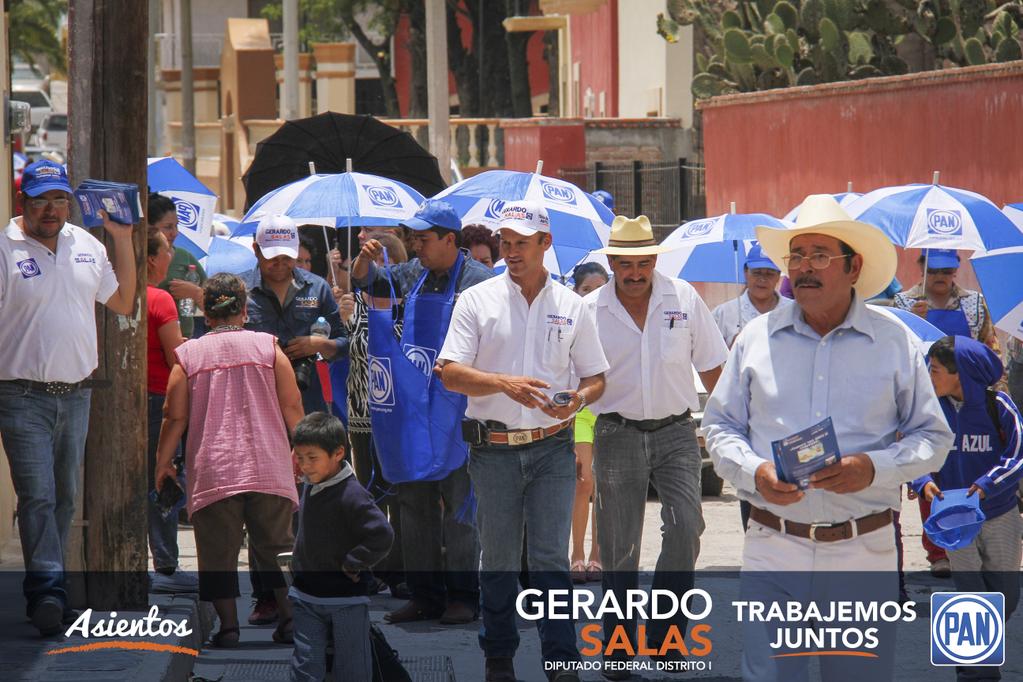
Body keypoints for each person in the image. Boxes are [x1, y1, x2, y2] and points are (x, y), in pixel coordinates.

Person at [702, 195, 953, 682]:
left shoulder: (894, 342)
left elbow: (933, 438)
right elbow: (719, 427)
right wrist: (755, 470)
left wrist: (873, 468)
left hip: (864, 548)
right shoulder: (755, 339)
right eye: (797, 256)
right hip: (774, 543)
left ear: (854, 266)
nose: (804, 268)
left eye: (820, 255)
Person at [439, 201, 609, 682]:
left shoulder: (572, 306)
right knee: (496, 558)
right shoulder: (477, 300)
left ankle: (561, 661)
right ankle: (499, 657)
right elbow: (449, 373)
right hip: (492, 450)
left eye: (521, 243)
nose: (511, 252)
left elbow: (596, 378)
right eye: (505, 243)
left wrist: (576, 399)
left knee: (551, 559)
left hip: (553, 447)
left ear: (545, 245)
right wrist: (502, 384)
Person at [585, 215, 728, 678]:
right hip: (615, 431)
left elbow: (712, 368)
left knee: (687, 527)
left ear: (654, 261)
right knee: (618, 545)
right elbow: (576, 380)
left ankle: (667, 637)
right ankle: (619, 645)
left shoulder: (684, 298)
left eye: (643, 263)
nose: (634, 273)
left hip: (676, 432)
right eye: (625, 264)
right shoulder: (588, 309)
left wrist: (731, 424)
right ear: (611, 262)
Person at [0, 160, 136, 635]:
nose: (52, 209)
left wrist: (121, 239)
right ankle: (49, 594)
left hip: (76, 394)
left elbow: (122, 303)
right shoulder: (4, 248)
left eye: (60, 200)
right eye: (41, 200)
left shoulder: (87, 245)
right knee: (37, 496)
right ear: (24, 204)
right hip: (20, 395)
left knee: (64, 498)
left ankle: (50, 590)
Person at [352, 199, 492, 627]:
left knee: (460, 508)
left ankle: (464, 596)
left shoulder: (481, 282)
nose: (416, 245)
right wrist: (363, 259)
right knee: (413, 506)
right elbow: (366, 286)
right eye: (412, 238)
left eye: (424, 238)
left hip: (460, 412)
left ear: (451, 240)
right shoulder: (411, 274)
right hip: (414, 412)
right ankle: (425, 596)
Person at [155, 273, 303, 647]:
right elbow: (292, 406)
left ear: (206, 312)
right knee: (277, 549)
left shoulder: (189, 355)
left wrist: (163, 462)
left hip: (214, 468)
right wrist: (301, 451)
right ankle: (289, 622)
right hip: (269, 465)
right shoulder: (269, 348)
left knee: (217, 554)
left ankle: (230, 629)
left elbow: (174, 416)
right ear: (244, 309)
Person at [240, 214, 347, 624]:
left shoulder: (317, 287)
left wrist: (321, 344)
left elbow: (344, 340)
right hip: (260, 408)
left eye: (287, 257)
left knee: (311, 499)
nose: (280, 265)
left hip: (310, 407)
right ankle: (267, 595)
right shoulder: (242, 291)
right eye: (271, 258)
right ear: (256, 252)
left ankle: (312, 588)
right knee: (264, 504)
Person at [912, 335, 1023, 682]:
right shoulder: (930, 410)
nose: (929, 377)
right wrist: (920, 481)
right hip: (953, 518)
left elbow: (1018, 454)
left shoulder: (999, 407)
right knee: (968, 590)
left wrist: (987, 484)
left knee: (1005, 594)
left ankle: (975, 651)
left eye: (935, 370)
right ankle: (975, 670)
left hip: (1000, 513)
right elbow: (911, 451)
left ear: (959, 374)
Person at [893, 247, 998, 577]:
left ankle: (969, 542)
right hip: (925, 396)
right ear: (921, 267)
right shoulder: (903, 303)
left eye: (947, 270)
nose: (940, 276)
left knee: (967, 472)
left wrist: (993, 393)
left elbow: (989, 345)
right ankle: (938, 549)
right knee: (932, 475)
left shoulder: (975, 303)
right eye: (933, 269)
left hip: (969, 398)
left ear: (955, 270)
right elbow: (898, 349)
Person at [288, 412, 395, 682]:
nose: (305, 466)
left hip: (346, 601)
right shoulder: (312, 484)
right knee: (306, 666)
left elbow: (382, 534)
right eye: (300, 458)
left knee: (352, 669)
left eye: (312, 458)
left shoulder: (353, 494)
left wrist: (354, 561)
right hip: (305, 597)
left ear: (337, 453)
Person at [337, 232, 409, 598]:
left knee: (399, 496)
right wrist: (344, 319)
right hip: (362, 418)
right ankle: (373, 566)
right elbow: (347, 349)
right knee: (370, 497)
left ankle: (400, 568)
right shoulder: (358, 306)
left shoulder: (408, 307)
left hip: (399, 419)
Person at [145, 229, 196, 593]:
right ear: (151, 258)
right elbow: (173, 354)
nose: (170, 256)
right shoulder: (160, 299)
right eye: (167, 250)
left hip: (135, 399)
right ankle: (165, 563)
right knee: (163, 477)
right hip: (159, 400)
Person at [568, 262, 608, 584]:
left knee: (604, 486)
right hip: (581, 407)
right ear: (576, 292)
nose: (593, 296)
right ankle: (576, 555)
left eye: (599, 289)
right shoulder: (569, 320)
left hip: (610, 409)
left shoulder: (618, 318)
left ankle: (598, 555)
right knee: (584, 483)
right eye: (586, 290)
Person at [711, 243, 792, 348]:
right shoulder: (723, 314)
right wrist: (731, 350)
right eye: (757, 272)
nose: (762, 279)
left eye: (769, 273)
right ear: (745, 272)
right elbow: (709, 357)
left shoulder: (793, 311)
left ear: (778, 276)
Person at [149, 193, 207, 339]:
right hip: (150, 338)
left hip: (185, 338)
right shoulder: (136, 261)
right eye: (168, 227)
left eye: (176, 225)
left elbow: (216, 306)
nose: (175, 233)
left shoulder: (185, 257)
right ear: (149, 228)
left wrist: (196, 293)